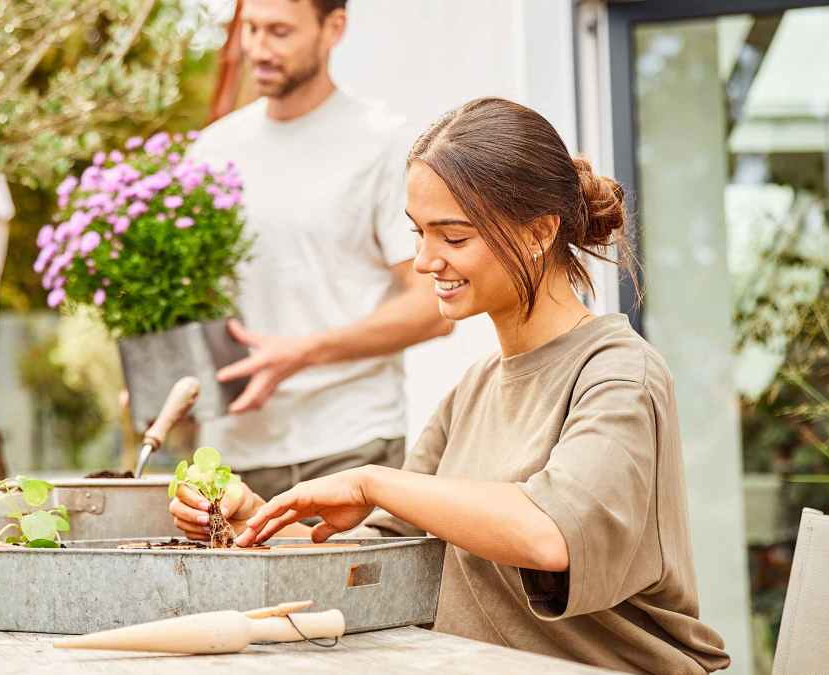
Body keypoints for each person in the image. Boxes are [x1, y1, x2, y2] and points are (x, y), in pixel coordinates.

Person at [172, 98, 732, 674]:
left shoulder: (618, 374)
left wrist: (373, 481)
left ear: (540, 232)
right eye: (418, 234)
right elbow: (377, 568)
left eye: (453, 238)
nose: (423, 261)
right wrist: (251, 523)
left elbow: (550, 534)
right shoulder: (474, 391)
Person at [187, 0, 452, 499]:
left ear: (334, 28)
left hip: (350, 444)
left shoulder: (385, 145)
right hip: (230, 454)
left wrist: (303, 353)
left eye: (280, 32)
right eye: (251, 30)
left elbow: (432, 308)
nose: (258, 50)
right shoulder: (211, 152)